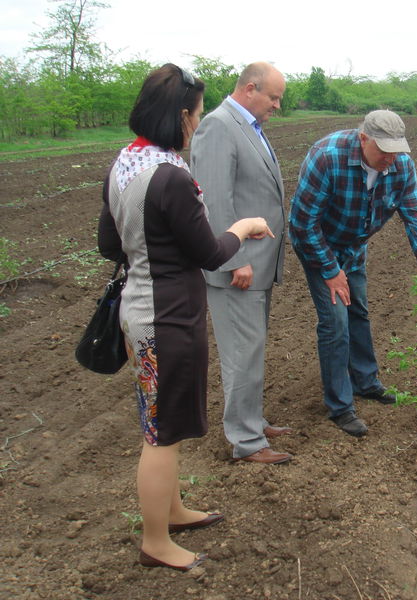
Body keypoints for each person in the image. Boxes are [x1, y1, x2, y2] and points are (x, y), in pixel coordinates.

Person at [98, 64, 271, 571]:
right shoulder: (171, 175)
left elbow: (109, 243)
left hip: (138, 308)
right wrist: (244, 227)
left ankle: (171, 510)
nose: (198, 122)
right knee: (161, 433)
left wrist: (148, 247)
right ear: (182, 116)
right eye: (196, 113)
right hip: (169, 316)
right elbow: (211, 252)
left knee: (158, 419)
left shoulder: (127, 162)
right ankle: (156, 540)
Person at [290, 110, 417, 437]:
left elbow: (416, 216)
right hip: (319, 245)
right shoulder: (326, 157)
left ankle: (365, 382)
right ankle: (340, 407)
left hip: (354, 246)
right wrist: (331, 270)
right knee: (335, 320)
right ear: (363, 138)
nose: (390, 157)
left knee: (357, 310)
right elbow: (302, 224)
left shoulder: (399, 165)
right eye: (383, 150)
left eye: (396, 149)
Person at [190, 62, 292, 465]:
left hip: (256, 266)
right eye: (273, 97)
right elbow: (214, 201)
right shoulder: (219, 126)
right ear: (250, 89)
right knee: (240, 355)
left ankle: (252, 420)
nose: (278, 105)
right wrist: (237, 261)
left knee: (251, 350)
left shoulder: (248, 127)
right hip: (238, 268)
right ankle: (246, 442)